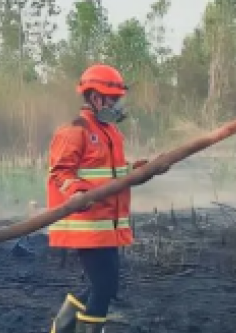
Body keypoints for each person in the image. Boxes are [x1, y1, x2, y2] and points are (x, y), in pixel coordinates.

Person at [47, 64, 162, 333]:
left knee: (103, 285)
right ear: (95, 98)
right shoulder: (74, 130)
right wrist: (77, 193)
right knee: (105, 286)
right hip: (88, 225)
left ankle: (61, 329)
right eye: (114, 99)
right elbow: (60, 172)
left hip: (106, 225)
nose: (119, 104)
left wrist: (138, 172)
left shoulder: (111, 133)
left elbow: (114, 175)